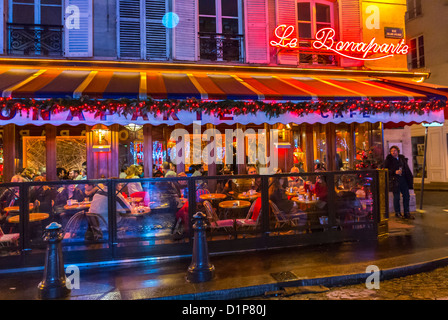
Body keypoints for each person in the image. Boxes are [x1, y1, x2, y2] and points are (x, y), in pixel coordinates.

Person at [384, 145, 414, 219]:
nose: (393, 152)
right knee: (396, 197)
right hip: (395, 180)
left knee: (406, 196)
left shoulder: (402, 158)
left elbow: (406, 168)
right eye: (392, 151)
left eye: (395, 151)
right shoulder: (388, 160)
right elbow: (385, 170)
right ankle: (397, 213)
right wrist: (394, 172)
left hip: (403, 179)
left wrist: (409, 177)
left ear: (398, 151)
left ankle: (407, 212)